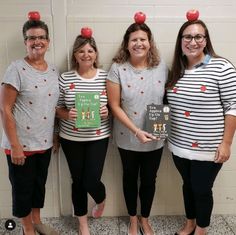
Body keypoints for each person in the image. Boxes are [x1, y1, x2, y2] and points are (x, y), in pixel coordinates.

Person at [166, 12, 236, 235]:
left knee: (201, 189)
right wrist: (156, 128)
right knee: (188, 186)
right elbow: (166, 105)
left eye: (198, 37)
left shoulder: (221, 67)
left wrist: (226, 143)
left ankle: (201, 229)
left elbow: (233, 106)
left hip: (209, 147)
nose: (192, 42)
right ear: (180, 41)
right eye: (187, 37)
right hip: (179, 145)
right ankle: (190, 223)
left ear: (206, 40)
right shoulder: (176, 71)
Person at [106, 15, 168, 235]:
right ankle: (133, 219)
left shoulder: (161, 67)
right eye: (134, 39)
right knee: (130, 177)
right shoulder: (117, 68)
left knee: (150, 179)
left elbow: (165, 101)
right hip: (127, 136)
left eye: (143, 39)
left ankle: (145, 218)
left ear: (150, 43)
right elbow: (114, 105)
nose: (139, 43)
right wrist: (136, 131)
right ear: (127, 43)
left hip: (155, 137)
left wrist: (161, 127)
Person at [0, 14, 59, 235]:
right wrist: (15, 145)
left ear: (48, 41)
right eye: (32, 38)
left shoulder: (53, 70)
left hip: (43, 142)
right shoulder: (15, 69)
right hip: (20, 144)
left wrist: (54, 135)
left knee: (38, 185)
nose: (37, 42)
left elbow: (51, 106)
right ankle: (27, 228)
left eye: (42, 37)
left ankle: (36, 220)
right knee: (22, 189)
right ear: (25, 41)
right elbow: (4, 108)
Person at [56, 30, 110, 235]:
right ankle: (82, 224)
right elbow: (57, 109)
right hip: (71, 138)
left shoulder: (106, 76)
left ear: (96, 54)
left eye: (90, 50)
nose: (86, 54)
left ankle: (101, 199)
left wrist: (108, 112)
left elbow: (116, 105)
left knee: (91, 180)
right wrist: (67, 114)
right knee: (77, 181)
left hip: (98, 137)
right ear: (75, 55)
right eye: (81, 51)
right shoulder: (65, 77)